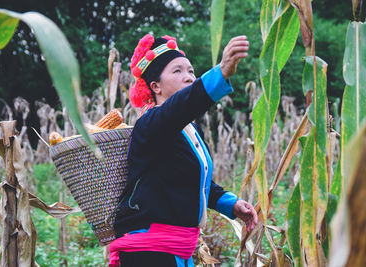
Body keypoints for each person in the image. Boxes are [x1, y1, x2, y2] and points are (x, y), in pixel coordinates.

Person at [109, 34, 257, 267]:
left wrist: (231, 204)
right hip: (150, 250)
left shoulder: (189, 130)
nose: (188, 77)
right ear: (155, 87)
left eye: (190, 71)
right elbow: (180, 107)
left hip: (178, 249)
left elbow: (192, 182)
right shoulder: (150, 125)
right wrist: (220, 72)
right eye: (177, 71)